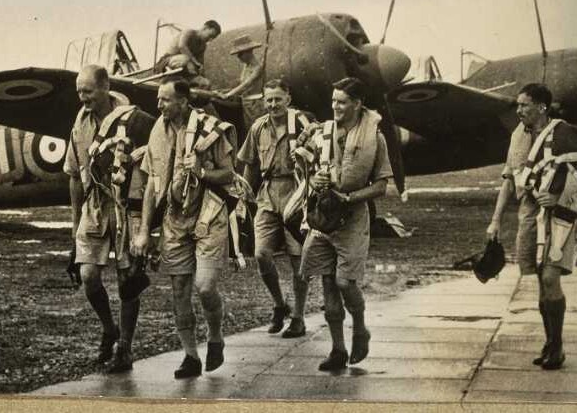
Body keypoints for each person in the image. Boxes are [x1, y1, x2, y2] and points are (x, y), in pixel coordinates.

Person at [132, 79, 237, 379]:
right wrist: (143, 230)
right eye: (158, 99)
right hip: (174, 219)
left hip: (208, 213)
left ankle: (215, 336)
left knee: (205, 286)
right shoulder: (157, 130)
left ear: (182, 101)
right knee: (179, 290)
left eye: (164, 100)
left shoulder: (209, 128)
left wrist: (202, 172)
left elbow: (229, 173)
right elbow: (152, 181)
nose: (159, 105)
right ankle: (190, 356)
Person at [486, 83, 577, 371]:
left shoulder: (564, 132)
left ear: (541, 106)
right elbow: (509, 178)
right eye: (518, 105)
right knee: (539, 279)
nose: (518, 110)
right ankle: (550, 343)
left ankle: (556, 347)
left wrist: (557, 196)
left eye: (524, 105)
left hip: (560, 216)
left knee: (549, 279)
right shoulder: (517, 136)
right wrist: (495, 220)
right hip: (529, 214)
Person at [297, 76, 392, 371]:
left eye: (342, 102)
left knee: (345, 281)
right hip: (323, 218)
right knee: (327, 282)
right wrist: (315, 179)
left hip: (352, 218)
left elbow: (381, 185)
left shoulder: (374, 138)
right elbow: (305, 170)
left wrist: (349, 198)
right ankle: (338, 349)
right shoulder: (321, 133)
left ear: (357, 104)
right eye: (334, 101)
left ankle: (360, 329)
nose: (335, 107)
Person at [65, 64, 155, 373]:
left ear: (105, 87)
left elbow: (152, 168)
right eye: (79, 91)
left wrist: (146, 221)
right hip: (95, 205)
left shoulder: (135, 119)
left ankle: (125, 349)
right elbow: (75, 176)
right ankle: (109, 328)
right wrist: (74, 223)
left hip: (126, 206)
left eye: (88, 91)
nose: (83, 98)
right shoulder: (79, 123)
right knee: (89, 276)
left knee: (127, 280)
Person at [235, 79, 314, 338]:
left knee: (298, 259)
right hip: (268, 194)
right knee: (261, 254)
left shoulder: (302, 122)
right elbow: (249, 163)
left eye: (278, 99)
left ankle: (299, 318)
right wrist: (245, 196)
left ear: (288, 99)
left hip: (296, 192)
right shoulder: (259, 127)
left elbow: (321, 152)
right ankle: (280, 304)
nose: (273, 104)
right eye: (268, 99)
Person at [215, 33, 265, 129]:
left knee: (256, 129)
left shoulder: (257, 68)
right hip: (246, 103)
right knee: (248, 129)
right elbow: (242, 83)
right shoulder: (246, 66)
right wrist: (224, 91)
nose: (238, 57)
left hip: (256, 104)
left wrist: (229, 94)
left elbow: (246, 84)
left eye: (240, 54)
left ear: (249, 51)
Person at [156, 20, 222, 86]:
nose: (210, 39)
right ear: (205, 28)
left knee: (206, 83)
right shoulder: (188, 32)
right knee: (185, 59)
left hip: (185, 71)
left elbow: (200, 64)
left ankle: (185, 86)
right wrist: (195, 62)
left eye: (213, 38)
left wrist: (201, 72)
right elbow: (182, 47)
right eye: (210, 35)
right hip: (168, 61)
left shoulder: (203, 46)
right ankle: (169, 78)